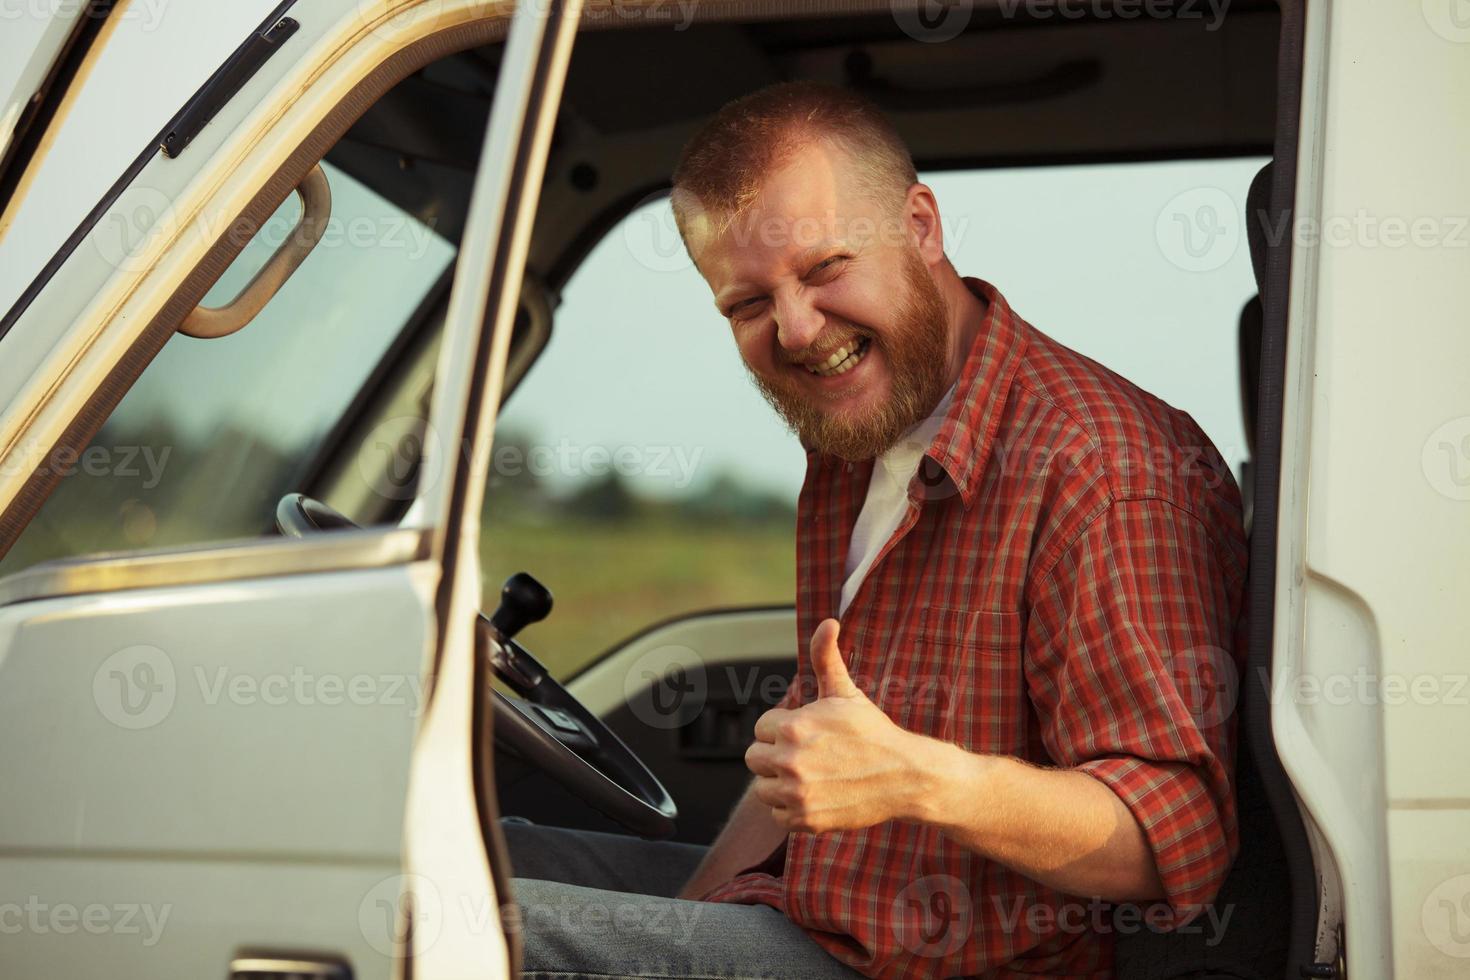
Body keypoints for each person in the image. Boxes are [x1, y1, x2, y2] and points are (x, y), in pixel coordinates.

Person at [507, 80, 1247, 980]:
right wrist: (678, 930)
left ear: (923, 228)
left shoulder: (1104, 471)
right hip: (820, 911)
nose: (796, 330)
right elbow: (816, 749)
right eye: (746, 306)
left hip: (939, 968)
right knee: (479, 857)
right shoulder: (859, 434)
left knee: (457, 932)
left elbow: (1176, 837)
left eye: (825, 271)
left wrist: (915, 779)